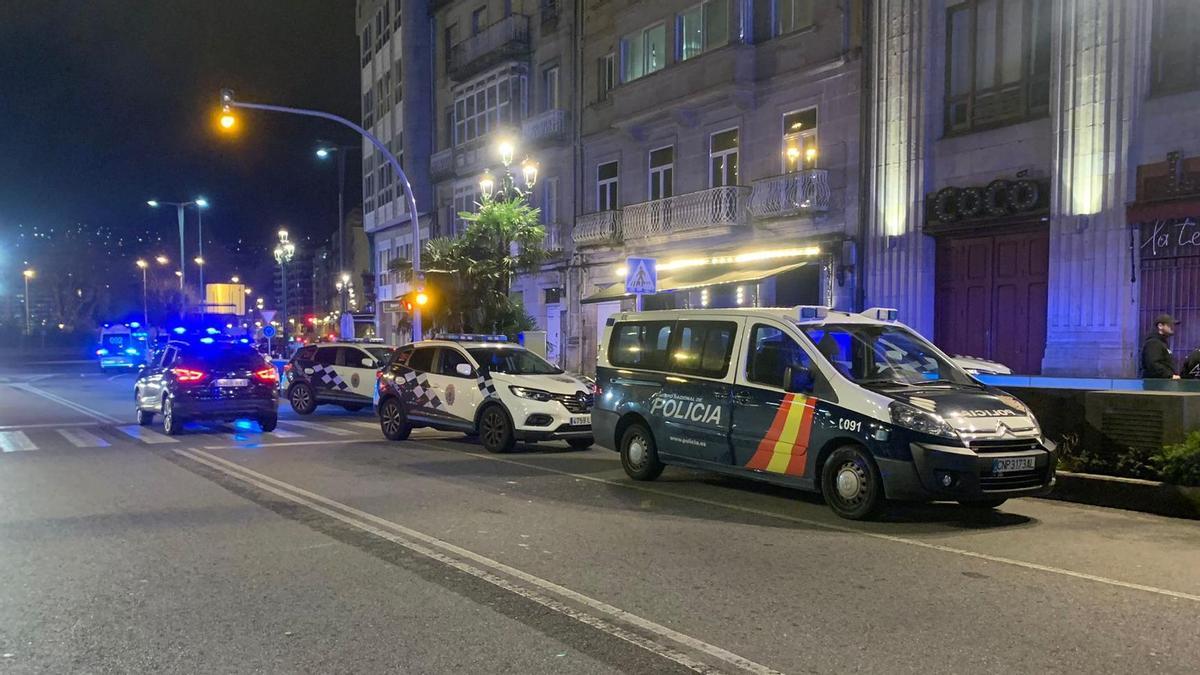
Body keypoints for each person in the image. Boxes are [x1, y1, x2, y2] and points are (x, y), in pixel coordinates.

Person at [1140, 313, 1180, 379]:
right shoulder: (1153, 342)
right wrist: (1170, 376)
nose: (1173, 327)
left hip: (1161, 384)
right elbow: (1153, 364)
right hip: (1156, 385)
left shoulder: (1161, 342)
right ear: (1160, 326)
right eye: (1170, 325)